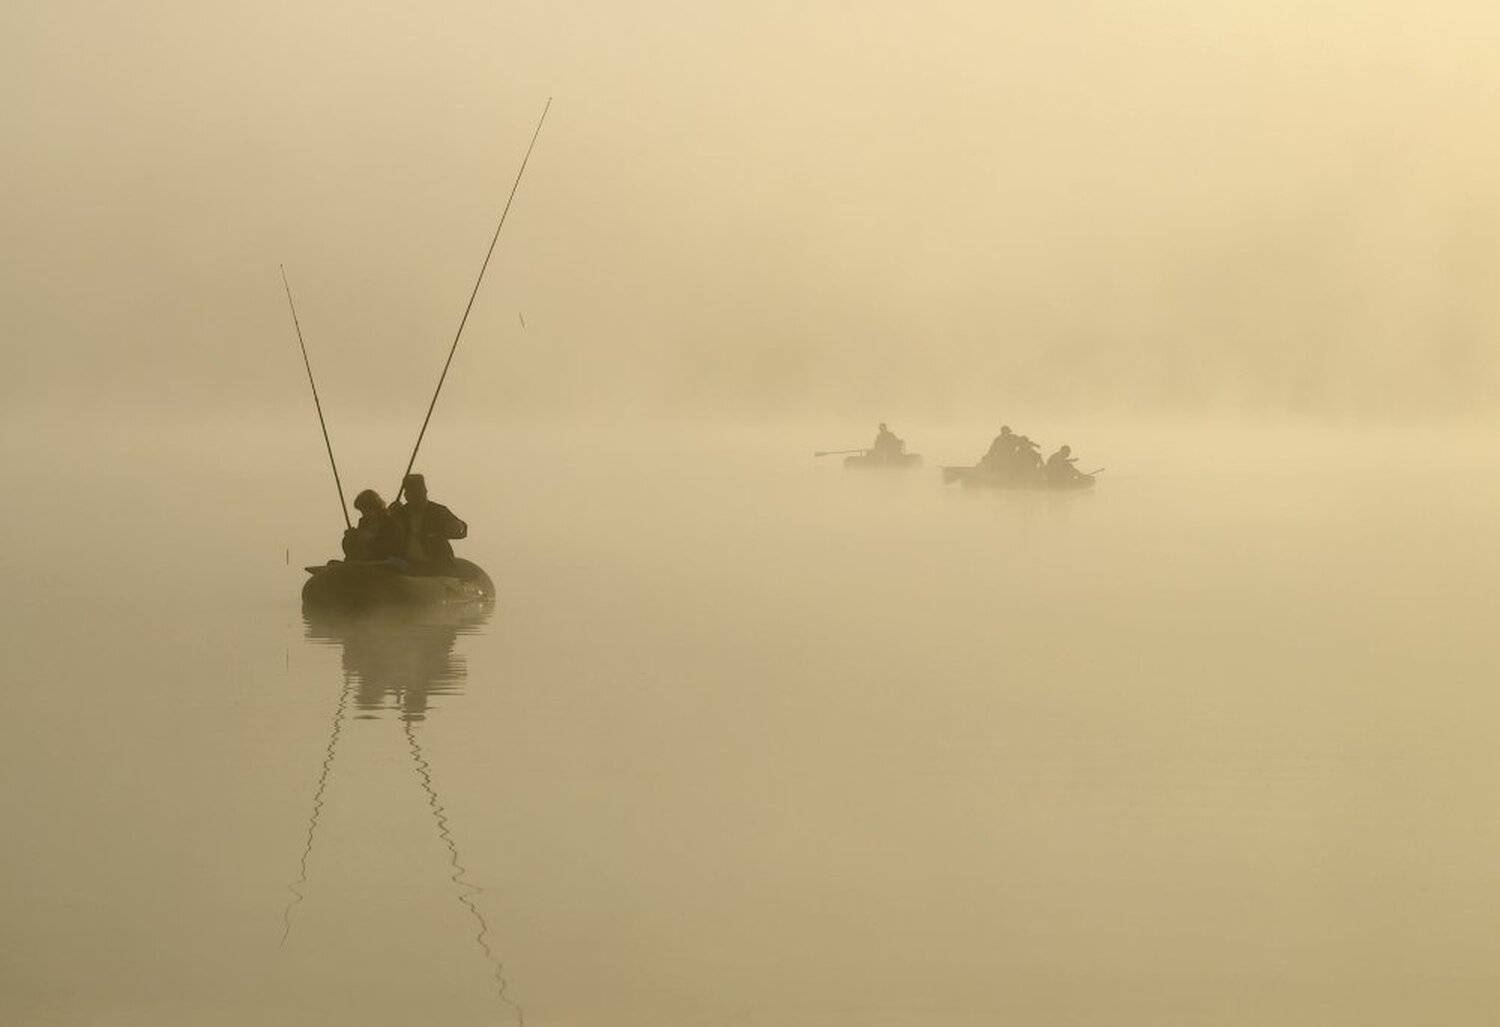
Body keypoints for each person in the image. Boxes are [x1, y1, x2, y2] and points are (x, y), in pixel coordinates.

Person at [387, 473, 468, 571]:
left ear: (425, 492)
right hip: (407, 565)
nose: (418, 497)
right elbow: (385, 533)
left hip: (434, 565)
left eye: (419, 493)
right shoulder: (400, 513)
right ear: (406, 496)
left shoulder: (438, 511)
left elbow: (459, 529)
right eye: (413, 494)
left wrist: (459, 526)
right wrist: (389, 515)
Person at [341, 489, 398, 561]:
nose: (364, 514)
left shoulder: (389, 523)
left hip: (382, 562)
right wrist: (350, 538)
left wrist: (369, 540)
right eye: (362, 511)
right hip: (362, 561)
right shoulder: (363, 523)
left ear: (375, 507)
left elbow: (390, 547)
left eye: (366, 510)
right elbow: (352, 551)